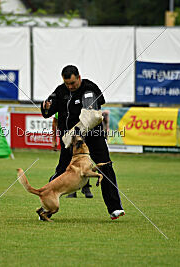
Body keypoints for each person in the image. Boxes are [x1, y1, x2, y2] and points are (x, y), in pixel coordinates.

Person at [41, 65, 125, 220]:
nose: (70, 87)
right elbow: (48, 112)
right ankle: (46, 205)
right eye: (67, 84)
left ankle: (115, 208)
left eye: (73, 83)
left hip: (93, 134)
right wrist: (46, 107)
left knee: (105, 166)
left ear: (78, 77)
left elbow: (92, 112)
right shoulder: (60, 91)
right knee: (61, 172)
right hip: (70, 139)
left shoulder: (89, 88)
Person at [51, 112, 93, 198]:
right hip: (65, 139)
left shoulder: (79, 106)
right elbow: (55, 123)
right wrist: (54, 140)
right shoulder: (60, 107)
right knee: (65, 164)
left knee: (83, 162)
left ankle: (86, 187)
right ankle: (69, 189)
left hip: (78, 138)